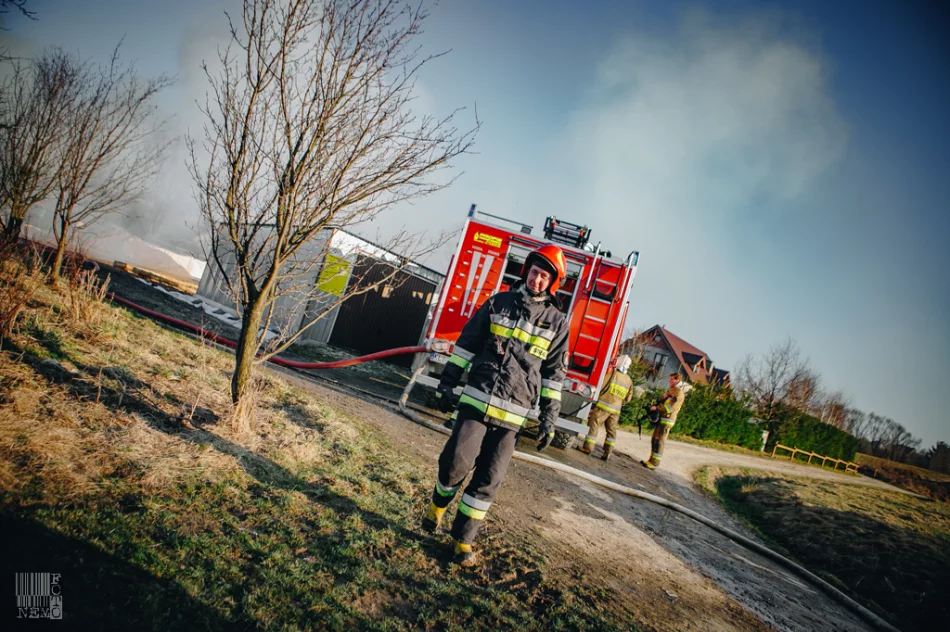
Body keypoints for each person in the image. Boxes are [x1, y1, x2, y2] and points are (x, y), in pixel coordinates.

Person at [422, 244, 570, 566]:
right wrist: (447, 382)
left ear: (552, 283)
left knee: (489, 479)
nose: (537, 279)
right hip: (477, 400)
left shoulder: (557, 323)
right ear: (526, 271)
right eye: (534, 272)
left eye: (544, 276)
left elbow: (554, 374)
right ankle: (437, 507)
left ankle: (462, 540)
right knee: (455, 463)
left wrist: (549, 418)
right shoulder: (498, 303)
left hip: (513, 416)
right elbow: (467, 343)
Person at [578, 354, 634, 461]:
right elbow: (628, 399)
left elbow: (601, 386)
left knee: (594, 425)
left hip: (603, 407)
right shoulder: (629, 380)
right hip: (616, 411)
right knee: (611, 431)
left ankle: (587, 448)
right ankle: (607, 453)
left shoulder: (612, 374)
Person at [641, 373, 687, 471]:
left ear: (677, 380)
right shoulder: (672, 390)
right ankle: (650, 460)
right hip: (662, 418)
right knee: (654, 439)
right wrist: (663, 397)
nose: (669, 381)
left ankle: (654, 463)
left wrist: (657, 408)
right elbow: (663, 401)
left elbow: (669, 407)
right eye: (670, 379)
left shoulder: (678, 393)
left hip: (667, 420)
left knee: (659, 442)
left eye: (672, 380)